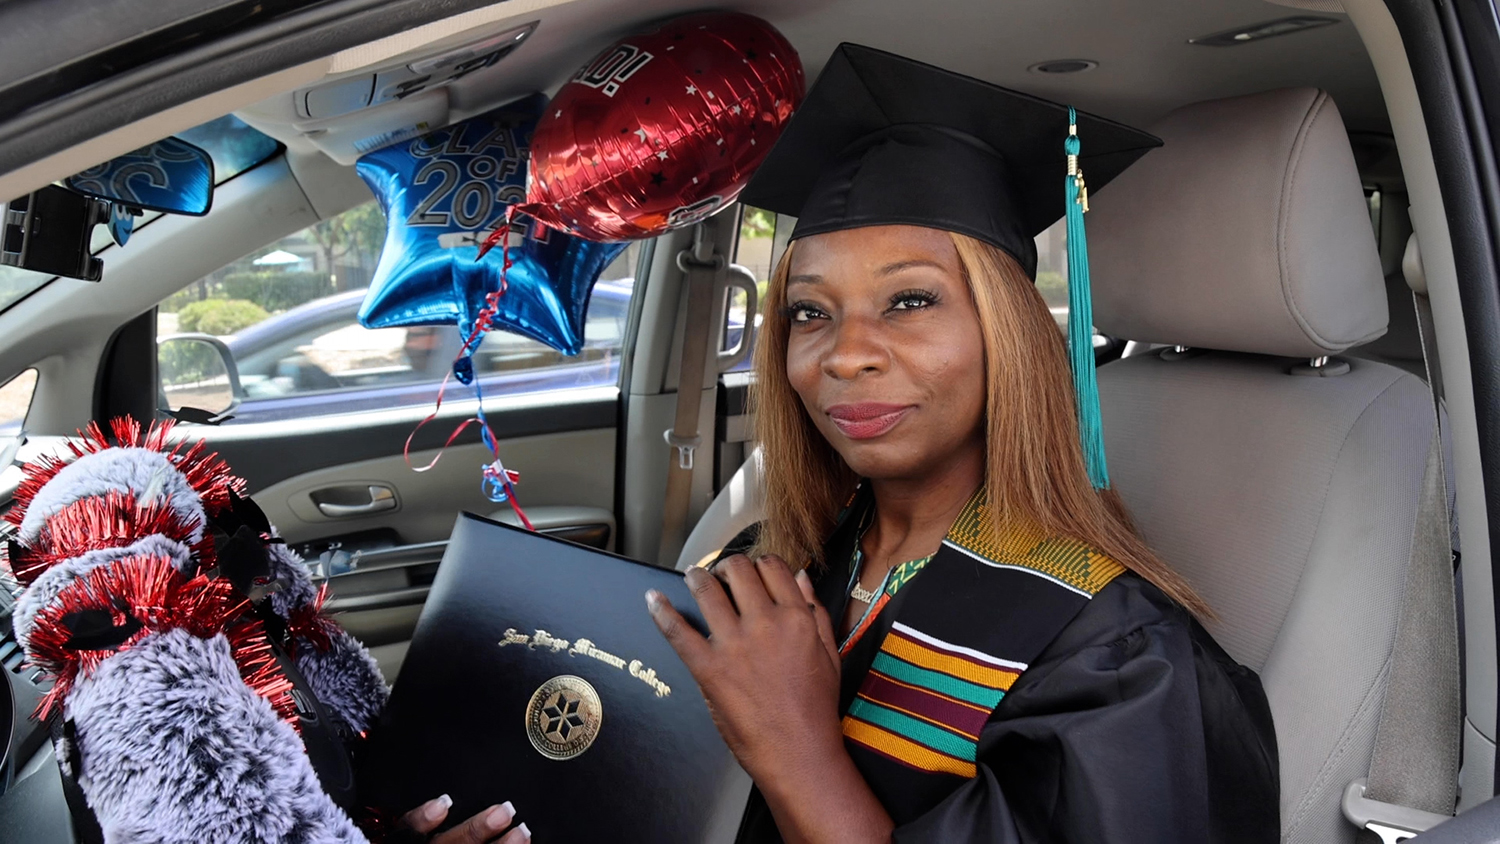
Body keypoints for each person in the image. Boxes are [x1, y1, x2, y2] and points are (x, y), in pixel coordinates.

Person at [646, 44, 1280, 842]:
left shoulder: (1115, 658)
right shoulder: (783, 560)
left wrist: (794, 747)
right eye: (810, 312)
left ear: (1007, 335)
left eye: (909, 300)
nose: (844, 353)